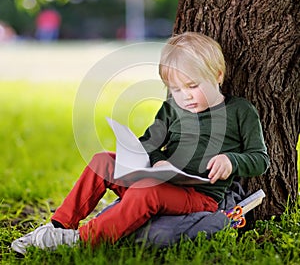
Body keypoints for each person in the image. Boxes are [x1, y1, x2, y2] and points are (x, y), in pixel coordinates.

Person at [11, 32, 270, 254]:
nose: (185, 97)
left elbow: (260, 159)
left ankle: (81, 241)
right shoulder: (172, 109)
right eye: (176, 90)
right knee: (103, 161)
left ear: (217, 75)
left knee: (147, 192)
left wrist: (231, 160)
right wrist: (159, 162)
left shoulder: (239, 111)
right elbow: (149, 144)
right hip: (162, 180)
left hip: (199, 196)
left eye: (192, 86)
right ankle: (58, 227)